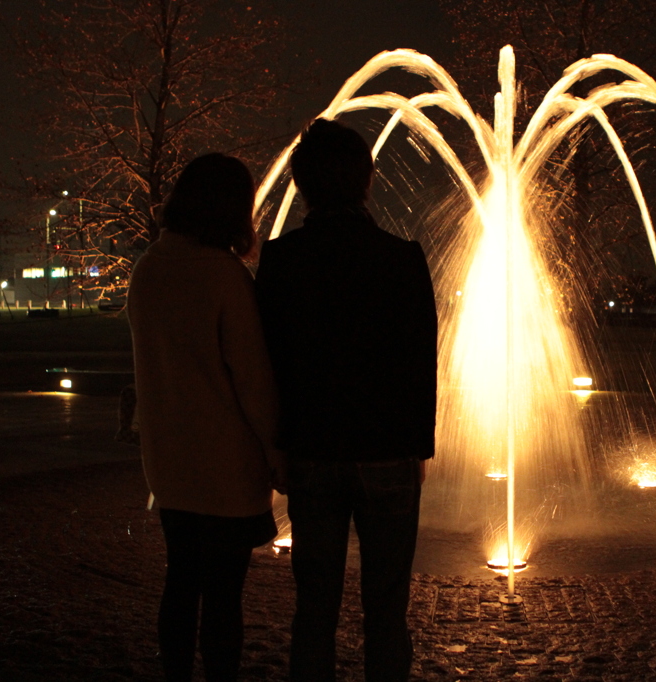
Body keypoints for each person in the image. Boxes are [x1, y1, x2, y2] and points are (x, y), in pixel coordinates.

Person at [255, 118, 438, 682]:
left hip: (313, 449)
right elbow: (421, 361)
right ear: (368, 179)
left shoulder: (282, 261)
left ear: (302, 185)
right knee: (387, 612)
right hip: (388, 451)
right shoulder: (402, 257)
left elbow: (272, 362)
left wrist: (278, 447)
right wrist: (418, 448)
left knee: (315, 609)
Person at [127, 153, 287, 682]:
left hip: (169, 464)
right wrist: (274, 452)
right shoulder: (224, 277)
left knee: (180, 582)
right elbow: (253, 382)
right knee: (223, 597)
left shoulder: (148, 270)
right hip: (224, 469)